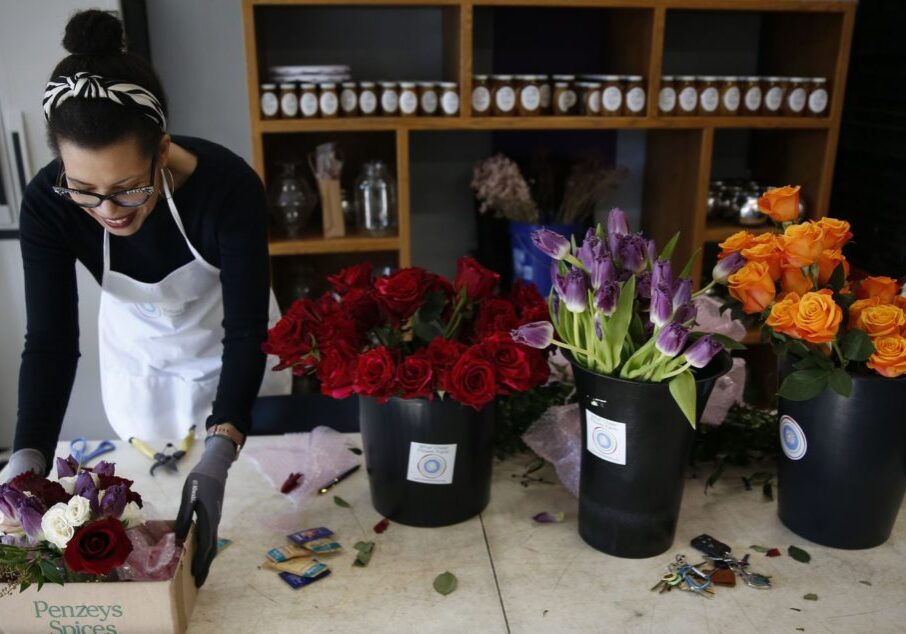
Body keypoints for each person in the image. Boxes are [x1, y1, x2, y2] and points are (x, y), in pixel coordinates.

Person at [0, 10, 290, 585]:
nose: (108, 210)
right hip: (142, 365)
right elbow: (52, 342)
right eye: (85, 190)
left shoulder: (227, 189)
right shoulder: (48, 203)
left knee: (261, 517)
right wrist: (25, 455)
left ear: (161, 150)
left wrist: (222, 448)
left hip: (231, 355)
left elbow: (245, 330)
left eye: (129, 188)